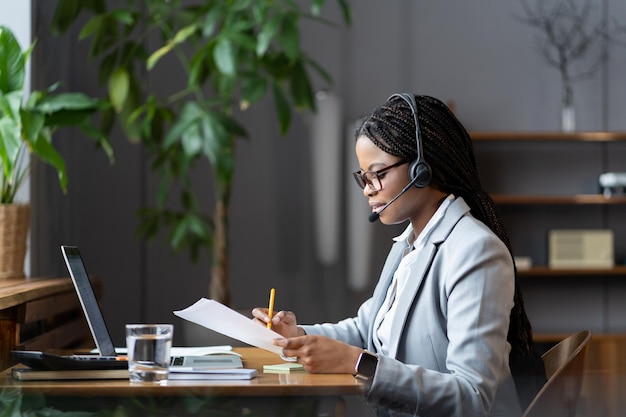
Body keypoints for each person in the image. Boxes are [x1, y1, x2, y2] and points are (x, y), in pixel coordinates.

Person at [252, 93, 546, 417]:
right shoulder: (409, 244)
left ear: (422, 170)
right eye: (363, 177)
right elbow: (367, 329)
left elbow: (471, 396)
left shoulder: (476, 252)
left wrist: (357, 364)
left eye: (377, 173)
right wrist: (300, 335)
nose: (367, 188)